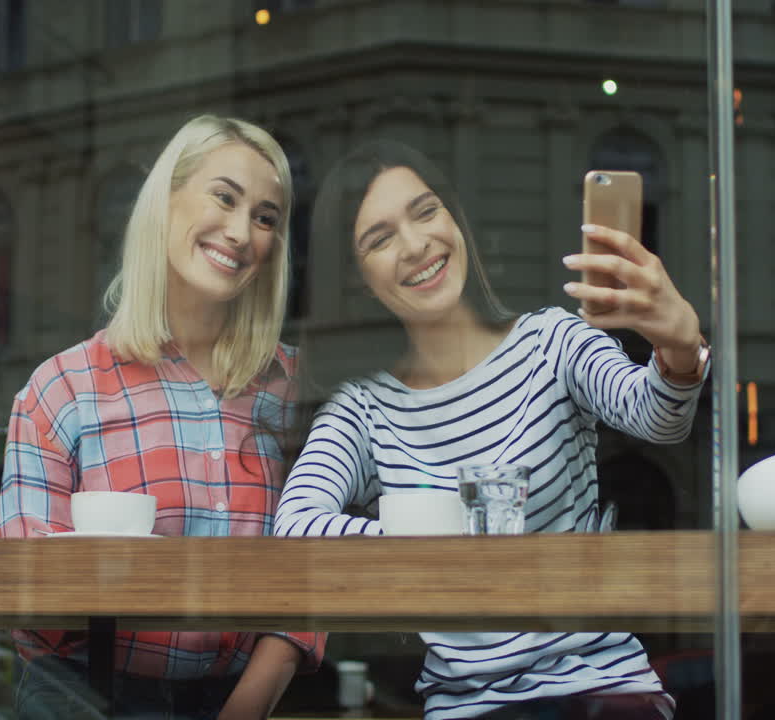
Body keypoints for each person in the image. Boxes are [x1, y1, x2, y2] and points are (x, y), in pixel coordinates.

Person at [274, 139, 709, 720]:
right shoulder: (365, 408)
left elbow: (656, 415)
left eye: (426, 211)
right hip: (467, 708)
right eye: (379, 239)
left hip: (601, 692)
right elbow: (296, 527)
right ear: (358, 279)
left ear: (455, 218)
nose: (416, 244)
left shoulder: (550, 341)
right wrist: (443, 541)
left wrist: (680, 344)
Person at [0, 114, 324, 720]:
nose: (241, 231)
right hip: (86, 697)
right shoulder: (60, 389)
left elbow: (318, 574)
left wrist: (245, 707)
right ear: (165, 202)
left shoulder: (298, 390)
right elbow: (31, 605)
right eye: (223, 198)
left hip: (246, 699)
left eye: (265, 217)